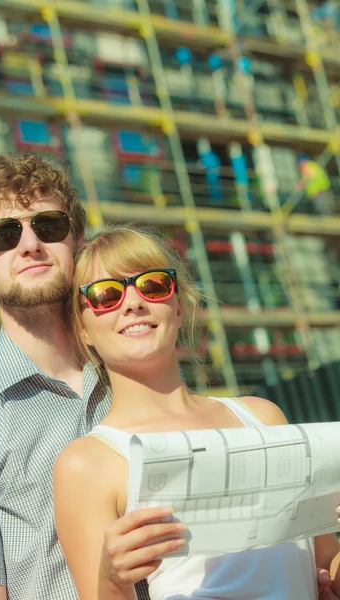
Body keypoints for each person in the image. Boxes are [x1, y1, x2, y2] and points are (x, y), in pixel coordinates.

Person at [53, 225, 340, 600]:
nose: (133, 302)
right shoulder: (87, 464)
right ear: (83, 329)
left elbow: (327, 561)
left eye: (152, 285)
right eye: (106, 295)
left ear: (178, 304)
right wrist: (111, 579)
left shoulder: (265, 419)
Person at [0, 154, 150, 600]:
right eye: (4, 234)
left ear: (77, 241)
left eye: (49, 226)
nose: (30, 243)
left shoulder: (141, 365)